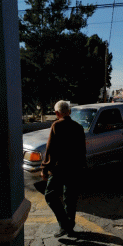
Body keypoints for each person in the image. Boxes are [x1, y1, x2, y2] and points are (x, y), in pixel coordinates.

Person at [40, 100, 87, 238]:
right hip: (75, 169)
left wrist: (44, 168)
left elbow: (50, 150)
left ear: (56, 113)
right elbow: (82, 151)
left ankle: (65, 225)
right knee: (70, 198)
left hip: (59, 169)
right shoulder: (78, 127)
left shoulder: (56, 125)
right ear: (70, 112)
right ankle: (68, 227)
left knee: (50, 195)